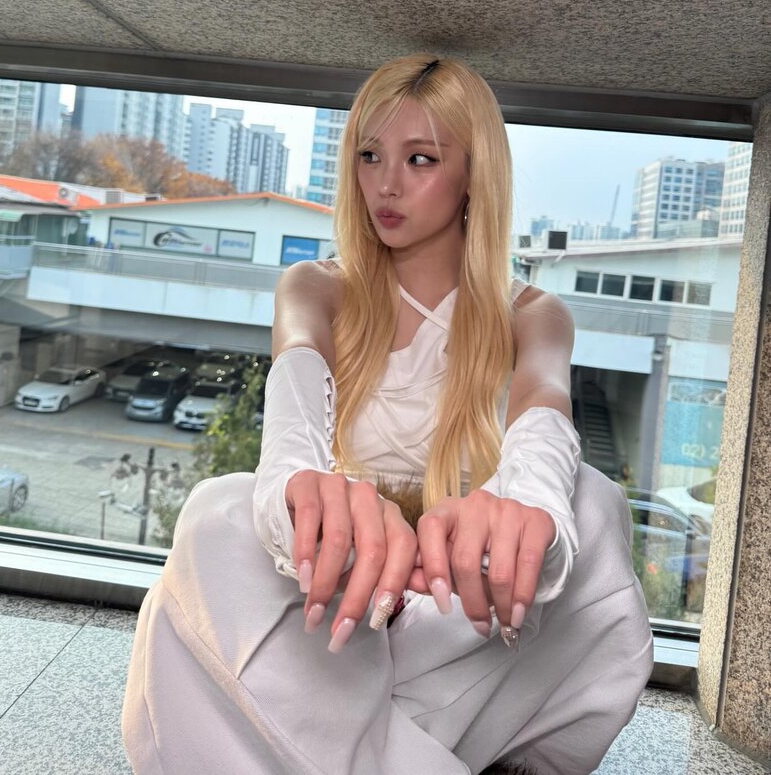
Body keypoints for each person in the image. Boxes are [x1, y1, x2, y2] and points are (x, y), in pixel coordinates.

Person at [122, 54, 653, 775]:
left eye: (420, 159)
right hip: (339, 593)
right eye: (369, 156)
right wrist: (307, 498)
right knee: (216, 511)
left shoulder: (535, 313)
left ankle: (325, 741)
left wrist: (521, 517)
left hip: (456, 613)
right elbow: (293, 421)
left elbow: (543, 419)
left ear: (474, 174)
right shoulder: (315, 287)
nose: (385, 184)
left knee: (592, 502)